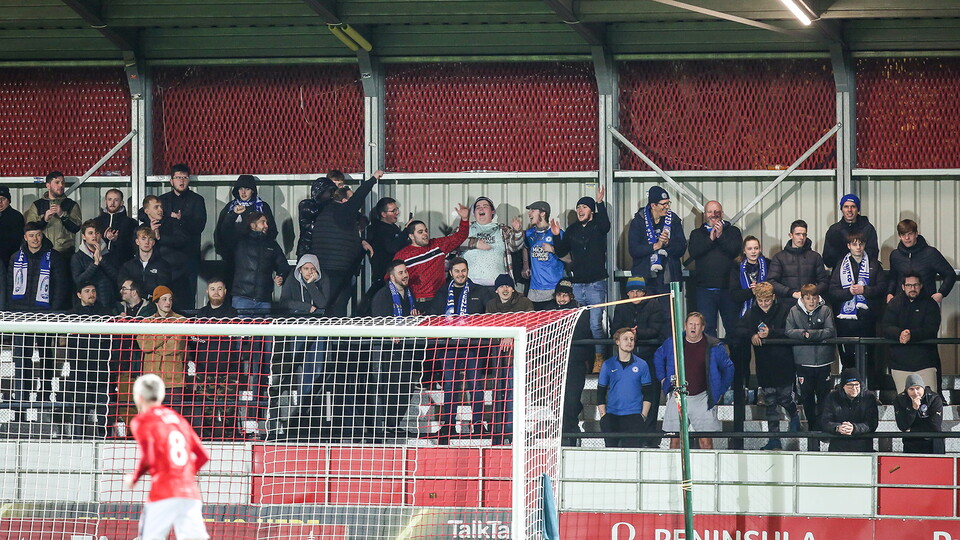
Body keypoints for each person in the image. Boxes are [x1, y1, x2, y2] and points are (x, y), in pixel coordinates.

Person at [124, 374, 210, 540]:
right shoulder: (179, 420)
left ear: (139, 397)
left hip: (163, 492)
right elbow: (203, 456)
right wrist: (184, 474)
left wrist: (134, 479)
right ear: (161, 396)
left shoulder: (142, 420)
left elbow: (148, 457)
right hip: (189, 492)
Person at [431, 258, 491, 443]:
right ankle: (449, 425)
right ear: (451, 273)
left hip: (472, 347)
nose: (460, 274)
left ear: (468, 271)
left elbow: (489, 315)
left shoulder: (479, 291)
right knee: (450, 386)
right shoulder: (442, 292)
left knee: (475, 385)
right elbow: (434, 316)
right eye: (457, 271)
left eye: (463, 271)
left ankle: (478, 423)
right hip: (449, 347)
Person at [8, 223, 70, 400]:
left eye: (38, 235)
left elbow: (60, 286)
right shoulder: (15, 258)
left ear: (42, 236)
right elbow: (10, 285)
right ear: (25, 237)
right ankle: (23, 393)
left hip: (45, 314)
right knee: (23, 357)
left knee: (45, 355)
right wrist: (12, 311)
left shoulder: (55, 257)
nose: (35, 239)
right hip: (21, 316)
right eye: (31, 235)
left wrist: (54, 311)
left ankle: (45, 392)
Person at [654, 312, 734, 450]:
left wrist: (720, 390)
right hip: (678, 396)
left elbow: (729, 368)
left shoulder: (714, 346)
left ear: (702, 327)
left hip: (703, 397)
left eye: (697, 324)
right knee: (674, 442)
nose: (693, 327)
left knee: (706, 443)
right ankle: (676, 471)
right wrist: (663, 379)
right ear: (685, 326)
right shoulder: (673, 342)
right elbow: (658, 357)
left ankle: (707, 471)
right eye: (691, 324)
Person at [734, 282, 799, 450]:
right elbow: (737, 329)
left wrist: (771, 333)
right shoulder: (752, 313)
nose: (764, 304)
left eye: (767, 300)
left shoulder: (784, 310)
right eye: (760, 300)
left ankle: (794, 416)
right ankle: (774, 439)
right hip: (764, 364)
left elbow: (791, 331)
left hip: (783, 362)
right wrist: (751, 335)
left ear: (773, 297)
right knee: (770, 403)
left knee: (785, 398)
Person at [308, 170, 382, 316]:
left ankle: (327, 338)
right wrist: (373, 179)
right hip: (337, 270)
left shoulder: (328, 212)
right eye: (351, 199)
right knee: (336, 309)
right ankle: (334, 338)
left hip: (327, 268)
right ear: (344, 201)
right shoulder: (343, 211)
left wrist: (361, 242)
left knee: (327, 307)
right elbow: (360, 196)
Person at [555, 187, 611, 364]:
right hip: (577, 285)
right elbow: (562, 251)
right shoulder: (572, 230)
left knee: (595, 325)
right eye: (578, 207)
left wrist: (600, 203)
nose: (580, 210)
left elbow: (606, 225)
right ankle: (578, 359)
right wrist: (557, 236)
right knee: (578, 325)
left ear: (591, 211)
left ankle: (599, 358)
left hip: (596, 284)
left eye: (584, 207)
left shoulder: (598, 226)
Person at [609, 276, 665, 442]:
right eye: (632, 291)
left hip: (648, 358)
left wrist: (637, 334)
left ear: (644, 292)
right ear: (627, 293)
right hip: (625, 361)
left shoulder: (654, 304)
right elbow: (614, 329)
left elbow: (656, 329)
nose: (635, 294)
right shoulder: (621, 307)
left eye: (638, 291)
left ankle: (648, 437)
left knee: (650, 397)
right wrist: (628, 332)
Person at [828, 232, 888, 378]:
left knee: (870, 359)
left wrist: (865, 290)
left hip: (869, 321)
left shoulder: (874, 264)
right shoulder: (841, 265)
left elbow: (882, 288)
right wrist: (848, 292)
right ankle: (848, 392)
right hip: (846, 323)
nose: (858, 247)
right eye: (854, 244)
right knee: (848, 360)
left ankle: (870, 391)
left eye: (861, 243)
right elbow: (832, 292)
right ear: (849, 246)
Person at [484, 274, 534, 445]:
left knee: (513, 395)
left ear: (513, 288)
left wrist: (512, 337)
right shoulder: (491, 305)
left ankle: (512, 431)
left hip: (517, 360)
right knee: (498, 395)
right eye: (502, 287)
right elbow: (489, 329)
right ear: (496, 290)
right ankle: (497, 432)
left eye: (508, 286)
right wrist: (505, 336)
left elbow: (531, 325)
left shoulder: (525, 303)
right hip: (497, 358)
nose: (505, 289)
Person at [190, 279, 242, 439]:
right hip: (204, 372)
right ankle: (207, 440)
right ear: (207, 291)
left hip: (228, 372)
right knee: (206, 412)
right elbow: (194, 342)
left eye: (220, 288)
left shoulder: (232, 313)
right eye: (213, 289)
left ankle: (231, 440)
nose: (216, 292)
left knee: (229, 412)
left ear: (225, 291)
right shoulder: (201, 314)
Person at [395, 204, 470, 307]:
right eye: (420, 232)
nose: (425, 234)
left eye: (426, 231)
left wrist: (465, 219)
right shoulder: (402, 255)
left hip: (440, 300)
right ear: (411, 236)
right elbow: (391, 278)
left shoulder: (437, 245)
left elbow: (460, 236)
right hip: (415, 304)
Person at [785, 283, 837, 433]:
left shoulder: (825, 310)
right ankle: (812, 427)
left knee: (824, 398)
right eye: (808, 298)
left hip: (823, 361)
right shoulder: (794, 311)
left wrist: (811, 335)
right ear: (802, 298)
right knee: (806, 398)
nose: (812, 301)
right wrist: (802, 334)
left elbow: (830, 331)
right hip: (803, 361)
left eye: (814, 298)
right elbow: (789, 331)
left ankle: (822, 427)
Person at [688, 200, 742, 338]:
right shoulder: (696, 234)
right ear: (705, 214)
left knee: (734, 330)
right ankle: (710, 360)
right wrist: (710, 239)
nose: (713, 214)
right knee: (707, 332)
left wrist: (721, 236)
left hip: (729, 290)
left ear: (722, 214)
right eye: (710, 212)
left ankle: (735, 360)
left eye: (716, 211)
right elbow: (694, 252)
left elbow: (735, 251)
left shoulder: (733, 232)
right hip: (705, 291)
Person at [881, 273, 942, 394]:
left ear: (921, 285)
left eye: (915, 285)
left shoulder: (930, 304)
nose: (912, 288)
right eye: (909, 285)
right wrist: (900, 333)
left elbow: (931, 329)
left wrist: (911, 334)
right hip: (899, 364)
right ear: (903, 287)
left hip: (926, 363)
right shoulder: (894, 303)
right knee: (904, 405)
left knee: (929, 404)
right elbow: (886, 326)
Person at [214, 175, 278, 286]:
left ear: (253, 191)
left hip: (257, 260)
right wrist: (224, 253)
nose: (243, 192)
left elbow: (272, 231)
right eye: (240, 189)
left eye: (247, 189)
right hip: (233, 260)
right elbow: (221, 231)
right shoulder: (230, 207)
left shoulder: (262, 207)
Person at [158, 164, 207, 309]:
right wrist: (169, 218)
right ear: (171, 181)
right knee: (165, 298)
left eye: (185, 177)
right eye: (178, 177)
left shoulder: (197, 200)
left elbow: (199, 226)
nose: (182, 181)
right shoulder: (162, 200)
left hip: (188, 259)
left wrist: (180, 220)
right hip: (165, 258)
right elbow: (145, 213)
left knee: (188, 300)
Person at [598, 327, 655, 448]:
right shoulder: (608, 364)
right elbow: (600, 392)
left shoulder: (642, 364)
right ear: (617, 341)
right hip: (612, 416)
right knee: (611, 455)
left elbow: (648, 393)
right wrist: (603, 416)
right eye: (625, 339)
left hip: (634, 417)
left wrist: (643, 416)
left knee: (632, 456)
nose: (629, 342)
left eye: (632, 339)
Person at [68, 282, 112, 437]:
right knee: (80, 406)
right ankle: (78, 437)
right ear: (79, 294)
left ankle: (104, 436)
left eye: (93, 290)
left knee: (102, 407)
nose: (91, 294)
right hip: (80, 370)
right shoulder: (72, 315)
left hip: (101, 369)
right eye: (87, 291)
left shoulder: (105, 313)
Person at [628, 186, 686, 304]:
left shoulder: (673, 220)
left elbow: (682, 247)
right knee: (647, 316)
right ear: (653, 205)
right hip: (646, 278)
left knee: (668, 317)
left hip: (668, 278)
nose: (667, 207)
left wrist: (668, 243)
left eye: (668, 203)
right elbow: (634, 250)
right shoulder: (638, 221)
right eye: (663, 204)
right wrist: (655, 246)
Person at [139, 195, 192, 310]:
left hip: (175, 278)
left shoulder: (173, 223)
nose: (160, 210)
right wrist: (150, 235)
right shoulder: (141, 229)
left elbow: (183, 240)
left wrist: (159, 238)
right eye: (156, 207)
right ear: (147, 210)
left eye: (161, 207)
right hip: (151, 280)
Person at [231, 211, 290, 311]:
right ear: (253, 225)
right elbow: (225, 230)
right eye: (262, 222)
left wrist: (281, 275)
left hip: (264, 299)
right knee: (242, 327)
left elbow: (283, 264)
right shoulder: (240, 241)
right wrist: (232, 214)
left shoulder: (272, 244)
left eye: (267, 222)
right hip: (242, 298)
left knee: (265, 326)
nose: (266, 225)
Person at [460, 196, 524, 287]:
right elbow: (452, 244)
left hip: (497, 285)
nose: (481, 208)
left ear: (492, 211)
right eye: (478, 207)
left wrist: (517, 231)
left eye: (485, 206)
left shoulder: (503, 229)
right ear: (474, 213)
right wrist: (475, 243)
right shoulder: (465, 229)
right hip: (469, 284)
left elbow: (515, 247)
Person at [887, 219, 955, 303]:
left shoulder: (931, 253)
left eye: (910, 234)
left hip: (926, 304)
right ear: (899, 236)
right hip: (901, 304)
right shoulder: (895, 255)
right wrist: (890, 293)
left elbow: (950, 274)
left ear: (916, 234)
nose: (907, 238)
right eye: (903, 235)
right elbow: (893, 278)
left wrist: (941, 293)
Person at [23, 171, 82, 256]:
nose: (61, 185)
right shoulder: (37, 205)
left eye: (63, 183)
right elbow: (30, 229)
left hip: (65, 254)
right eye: (57, 182)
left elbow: (76, 228)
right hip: (42, 254)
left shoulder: (71, 205)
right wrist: (44, 220)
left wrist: (62, 215)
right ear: (48, 186)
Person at [768, 219, 830, 302]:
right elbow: (771, 282)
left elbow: (824, 281)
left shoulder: (815, 257)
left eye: (804, 235)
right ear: (790, 235)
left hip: (810, 302)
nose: (801, 238)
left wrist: (810, 292)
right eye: (798, 234)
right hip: (786, 303)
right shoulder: (779, 257)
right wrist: (791, 293)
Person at [820, 368, 879, 453]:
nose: (854, 388)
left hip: (863, 449)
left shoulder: (869, 397)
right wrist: (838, 428)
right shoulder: (832, 397)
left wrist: (854, 428)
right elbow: (825, 421)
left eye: (857, 384)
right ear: (843, 386)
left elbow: (872, 423)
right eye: (850, 385)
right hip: (838, 449)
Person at [364, 197, 411, 301]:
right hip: (384, 277)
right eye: (393, 211)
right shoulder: (378, 229)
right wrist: (406, 232)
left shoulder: (393, 228)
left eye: (397, 209)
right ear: (383, 214)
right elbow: (392, 247)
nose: (397, 213)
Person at [521, 201, 566, 309]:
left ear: (543, 213)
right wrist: (526, 265)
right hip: (535, 288)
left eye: (533, 210)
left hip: (554, 287)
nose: (529, 214)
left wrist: (553, 249)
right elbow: (525, 248)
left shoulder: (556, 232)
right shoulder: (529, 233)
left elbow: (568, 257)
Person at [821, 194, 880, 269]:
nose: (849, 210)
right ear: (841, 209)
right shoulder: (834, 230)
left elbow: (873, 254)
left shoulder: (868, 228)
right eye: (846, 207)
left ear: (858, 209)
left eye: (853, 206)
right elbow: (827, 260)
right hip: (840, 274)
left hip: (864, 273)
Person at [71, 220, 120, 307]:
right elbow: (78, 281)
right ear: (83, 236)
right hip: (86, 304)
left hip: (108, 302)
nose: (94, 236)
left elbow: (117, 277)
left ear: (100, 235)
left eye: (97, 233)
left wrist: (101, 259)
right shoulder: (77, 257)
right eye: (90, 233)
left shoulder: (109, 254)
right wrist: (95, 264)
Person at [894, 373, 944, 454]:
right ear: (907, 390)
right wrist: (913, 409)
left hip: (932, 444)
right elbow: (902, 425)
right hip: (911, 444)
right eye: (911, 389)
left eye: (918, 388)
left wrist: (911, 430)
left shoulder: (934, 398)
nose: (915, 392)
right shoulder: (900, 400)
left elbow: (935, 426)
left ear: (923, 388)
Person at [118, 226, 173, 299]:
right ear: (137, 242)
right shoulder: (128, 266)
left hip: (155, 305)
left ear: (153, 242)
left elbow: (163, 289)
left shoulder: (163, 265)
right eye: (143, 239)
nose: (146, 242)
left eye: (150, 239)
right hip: (134, 304)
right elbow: (123, 287)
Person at [95, 188, 138, 264]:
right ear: (105, 202)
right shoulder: (96, 222)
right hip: (100, 265)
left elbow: (134, 246)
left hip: (123, 264)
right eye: (110, 199)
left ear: (122, 203)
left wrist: (116, 240)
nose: (112, 203)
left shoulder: (131, 223)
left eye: (116, 200)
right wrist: (103, 238)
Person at [0, 185, 25, 263]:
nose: (0, 202)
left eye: (3, 199)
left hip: (9, 259)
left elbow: (16, 240)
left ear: (9, 200)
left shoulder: (16, 217)